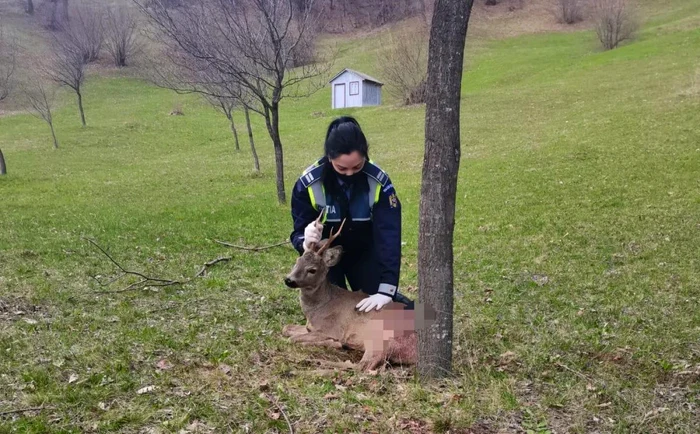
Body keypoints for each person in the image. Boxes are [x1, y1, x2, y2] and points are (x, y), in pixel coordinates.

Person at [289, 116, 414, 312]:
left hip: (363, 252)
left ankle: (424, 315)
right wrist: (304, 240)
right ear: (329, 158)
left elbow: (389, 237)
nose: (349, 174)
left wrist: (386, 290)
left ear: (366, 155)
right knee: (333, 309)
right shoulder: (308, 183)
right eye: (341, 168)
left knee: (381, 305)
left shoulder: (379, 182)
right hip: (326, 261)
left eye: (357, 166)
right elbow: (297, 232)